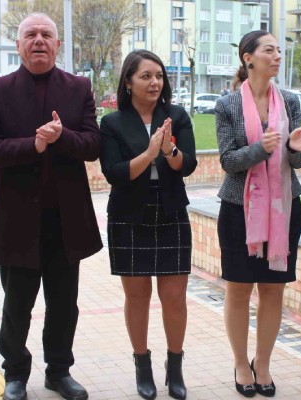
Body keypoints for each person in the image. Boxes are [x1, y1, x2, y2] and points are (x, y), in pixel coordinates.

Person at [0, 13, 102, 400]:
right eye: (30, 34)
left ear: (58, 45)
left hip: (66, 220)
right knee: (17, 304)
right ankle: (15, 373)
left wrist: (62, 137)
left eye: (46, 34)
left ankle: (59, 371)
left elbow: (93, 145)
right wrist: (34, 145)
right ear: (18, 45)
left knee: (64, 304)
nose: (38, 40)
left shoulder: (78, 88)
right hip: (17, 220)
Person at [215, 30, 301, 398]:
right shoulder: (227, 105)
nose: (277, 56)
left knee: (273, 290)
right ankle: (241, 363)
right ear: (248, 58)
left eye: (279, 51)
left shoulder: (290, 101)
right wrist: (261, 148)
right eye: (269, 50)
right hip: (238, 209)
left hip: (284, 208)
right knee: (239, 289)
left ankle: (264, 363)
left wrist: (295, 149)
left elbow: (297, 162)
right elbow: (228, 161)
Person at [99, 49, 197, 400]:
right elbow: (114, 173)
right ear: (128, 82)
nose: (154, 82)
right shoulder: (112, 123)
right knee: (137, 296)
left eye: (158, 76)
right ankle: (142, 366)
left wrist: (169, 150)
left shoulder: (176, 116)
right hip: (129, 213)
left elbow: (187, 166)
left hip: (170, 211)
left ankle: (175, 366)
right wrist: (149, 153)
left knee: (174, 297)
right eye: (146, 76)